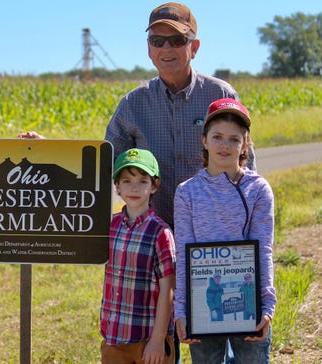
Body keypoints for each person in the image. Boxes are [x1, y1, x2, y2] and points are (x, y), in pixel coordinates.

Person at [104, 2, 255, 228]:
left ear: (194, 48)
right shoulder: (133, 104)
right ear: (149, 49)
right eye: (157, 41)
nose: (166, 48)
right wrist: (51, 152)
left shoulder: (220, 95)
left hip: (210, 230)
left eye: (177, 40)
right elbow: (104, 162)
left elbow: (245, 163)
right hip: (153, 234)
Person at [173, 98, 276, 363]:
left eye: (234, 139)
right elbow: (184, 253)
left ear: (245, 144)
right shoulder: (187, 192)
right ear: (204, 140)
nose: (225, 145)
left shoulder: (258, 190)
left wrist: (267, 306)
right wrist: (182, 310)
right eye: (217, 137)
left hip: (247, 302)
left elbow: (263, 249)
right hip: (204, 305)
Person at [100, 148, 176, 363]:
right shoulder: (109, 226)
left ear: (154, 186)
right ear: (117, 186)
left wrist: (158, 339)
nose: (134, 188)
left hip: (148, 340)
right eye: (126, 181)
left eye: (142, 181)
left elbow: (167, 289)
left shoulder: (161, 233)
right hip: (114, 337)